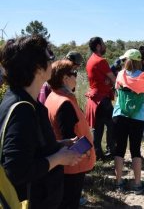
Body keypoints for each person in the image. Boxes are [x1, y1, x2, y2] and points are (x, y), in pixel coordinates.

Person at [0, 35, 82, 208]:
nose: (52, 61)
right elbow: (16, 170)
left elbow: (30, 148)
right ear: (37, 68)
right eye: (49, 56)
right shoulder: (22, 110)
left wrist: (59, 145)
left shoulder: (16, 98)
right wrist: (58, 158)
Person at [45, 59, 96, 209]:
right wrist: (86, 151)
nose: (76, 76)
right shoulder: (65, 103)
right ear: (65, 78)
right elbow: (69, 140)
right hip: (72, 167)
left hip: (65, 165)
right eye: (73, 73)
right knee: (69, 203)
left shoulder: (53, 96)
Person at [112, 49, 144, 193]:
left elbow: (117, 92)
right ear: (139, 61)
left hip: (119, 115)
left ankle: (118, 182)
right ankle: (137, 183)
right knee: (135, 150)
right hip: (137, 117)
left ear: (127, 61)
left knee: (119, 149)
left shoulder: (120, 74)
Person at [85, 37, 116, 160]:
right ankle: (111, 151)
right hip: (103, 100)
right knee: (112, 125)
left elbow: (102, 79)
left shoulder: (90, 61)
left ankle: (97, 154)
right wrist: (109, 81)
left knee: (97, 128)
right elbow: (113, 80)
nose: (105, 46)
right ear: (98, 46)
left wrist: (107, 81)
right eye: (103, 44)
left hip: (94, 99)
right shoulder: (101, 61)